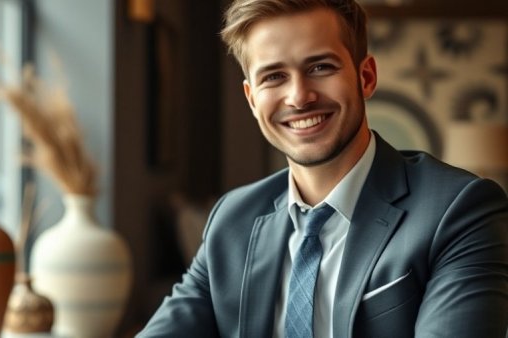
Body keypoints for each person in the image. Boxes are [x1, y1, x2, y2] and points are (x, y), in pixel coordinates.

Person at [137, 0, 508, 337]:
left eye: (320, 66)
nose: (299, 96)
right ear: (252, 99)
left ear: (365, 77)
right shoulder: (231, 220)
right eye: (274, 76)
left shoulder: (460, 211)